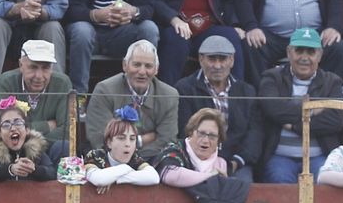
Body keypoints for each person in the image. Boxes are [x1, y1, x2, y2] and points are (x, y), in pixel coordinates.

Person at [255, 29, 343, 183]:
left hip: (319, 156)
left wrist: (295, 126)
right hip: (280, 157)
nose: (304, 57)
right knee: (279, 181)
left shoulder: (332, 82)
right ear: (289, 52)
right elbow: (273, 108)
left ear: (319, 55)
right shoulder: (272, 77)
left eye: (310, 52)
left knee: (325, 181)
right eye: (299, 51)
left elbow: (336, 120)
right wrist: (312, 109)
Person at [173, 34, 258, 174]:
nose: (217, 66)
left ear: (232, 60)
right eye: (212, 59)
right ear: (201, 60)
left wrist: (236, 162)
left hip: (236, 162)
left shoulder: (246, 91)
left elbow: (254, 132)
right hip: (195, 161)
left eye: (223, 59)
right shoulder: (184, 88)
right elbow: (184, 131)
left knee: (243, 184)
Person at [84, 39, 179, 163]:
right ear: (125, 65)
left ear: (156, 69)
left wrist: (136, 159)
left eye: (148, 66)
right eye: (136, 65)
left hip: (153, 163)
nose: (142, 72)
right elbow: (100, 138)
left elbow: (167, 141)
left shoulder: (170, 95)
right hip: (110, 163)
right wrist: (141, 140)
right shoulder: (104, 90)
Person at [0, 39, 74, 159]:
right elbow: (1, 127)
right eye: (33, 67)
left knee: (64, 146)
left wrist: (25, 136)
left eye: (45, 68)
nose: (39, 76)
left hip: (48, 149)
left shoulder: (63, 83)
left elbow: (67, 132)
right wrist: (47, 125)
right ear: (21, 65)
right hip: (14, 150)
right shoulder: (6, 81)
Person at [0, 96, 55, 182]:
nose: (13, 128)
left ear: (27, 130)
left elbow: (52, 173)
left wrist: (34, 169)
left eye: (18, 123)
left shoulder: (36, 149)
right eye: (6, 125)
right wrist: (9, 170)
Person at [81, 112, 161, 191]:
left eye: (132, 139)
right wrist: (126, 168)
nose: (127, 144)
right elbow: (99, 179)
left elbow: (154, 177)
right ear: (109, 142)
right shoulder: (95, 155)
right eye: (121, 138)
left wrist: (114, 179)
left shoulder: (134, 158)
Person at [158, 107, 230, 188]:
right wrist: (211, 176)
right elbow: (170, 175)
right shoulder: (173, 149)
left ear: (219, 140)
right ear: (191, 132)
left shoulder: (220, 163)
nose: (205, 140)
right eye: (201, 133)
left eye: (212, 136)